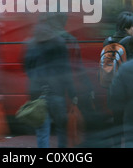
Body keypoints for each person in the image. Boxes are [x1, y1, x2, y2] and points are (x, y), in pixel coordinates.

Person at [23, 14, 78, 148]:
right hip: (56, 93)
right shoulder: (59, 42)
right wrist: (72, 93)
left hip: (38, 94)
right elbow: (66, 70)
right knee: (61, 130)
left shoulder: (31, 43)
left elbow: (26, 67)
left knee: (42, 131)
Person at [45, 12, 95, 146]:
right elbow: (77, 66)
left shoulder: (45, 40)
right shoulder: (71, 40)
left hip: (48, 88)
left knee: (45, 128)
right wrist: (87, 87)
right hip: (66, 87)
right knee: (65, 127)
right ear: (64, 22)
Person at [102, 11, 133, 147]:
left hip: (113, 89)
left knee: (117, 122)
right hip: (129, 91)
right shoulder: (131, 42)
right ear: (125, 27)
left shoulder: (108, 41)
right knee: (130, 124)